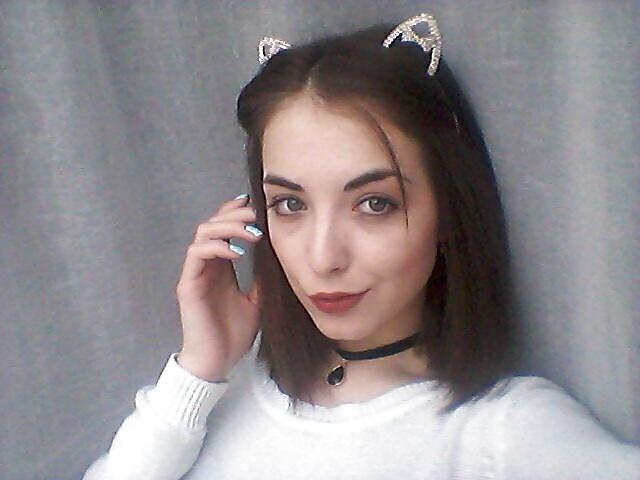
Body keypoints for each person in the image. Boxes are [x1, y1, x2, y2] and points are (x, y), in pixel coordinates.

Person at [83, 13, 640, 480]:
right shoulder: (222, 393)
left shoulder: (504, 434)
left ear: (449, 208)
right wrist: (197, 372)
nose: (323, 258)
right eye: (290, 204)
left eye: (374, 204)